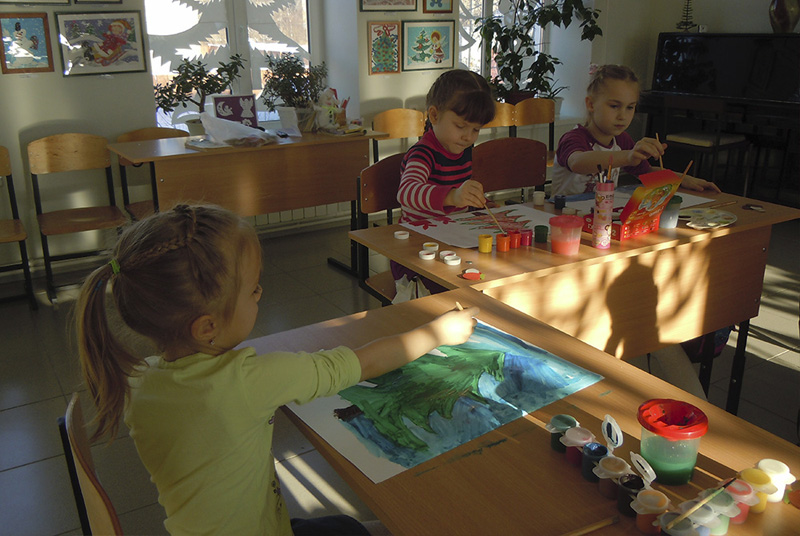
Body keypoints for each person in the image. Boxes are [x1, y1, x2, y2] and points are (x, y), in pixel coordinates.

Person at [75, 204, 478, 536]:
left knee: (345, 526)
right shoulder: (247, 382)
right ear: (207, 327)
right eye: (253, 289)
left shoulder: (138, 379)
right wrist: (439, 332)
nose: (261, 293)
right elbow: (364, 363)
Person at [393, 69, 496, 292]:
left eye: (476, 129)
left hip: (452, 245)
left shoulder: (463, 151)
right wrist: (453, 196)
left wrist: (477, 202)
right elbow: (407, 192)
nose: (468, 136)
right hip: (416, 255)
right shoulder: (423, 153)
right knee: (464, 288)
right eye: (461, 126)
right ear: (434, 115)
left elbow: (460, 202)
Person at [551, 64, 722, 197]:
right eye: (614, 106)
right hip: (562, 218)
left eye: (630, 107)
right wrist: (628, 156)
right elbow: (577, 163)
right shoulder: (574, 138)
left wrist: (683, 179)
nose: (622, 116)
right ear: (591, 104)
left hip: (599, 216)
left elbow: (645, 172)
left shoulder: (622, 140)